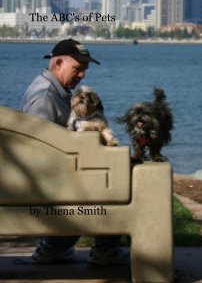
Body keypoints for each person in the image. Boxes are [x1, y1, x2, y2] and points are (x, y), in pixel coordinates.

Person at [21, 38, 129, 266]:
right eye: (78, 69)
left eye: (85, 70)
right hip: (43, 185)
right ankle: (103, 251)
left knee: (106, 178)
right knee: (109, 186)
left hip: (52, 178)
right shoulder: (45, 98)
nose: (82, 76)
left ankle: (56, 248)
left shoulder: (53, 91)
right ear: (58, 63)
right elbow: (37, 154)